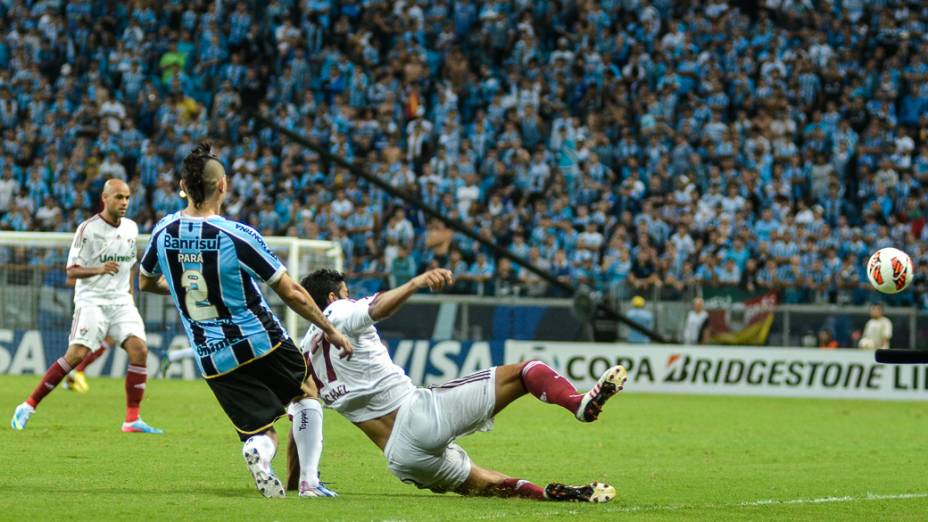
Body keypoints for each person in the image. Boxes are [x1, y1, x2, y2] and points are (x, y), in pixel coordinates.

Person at [297, 267, 625, 502]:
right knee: (526, 371)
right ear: (331, 297)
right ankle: (578, 404)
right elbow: (375, 309)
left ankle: (548, 496)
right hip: (417, 415)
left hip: (402, 459)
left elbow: (304, 415)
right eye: (346, 292)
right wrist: (416, 282)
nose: (349, 297)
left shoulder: (304, 355)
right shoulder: (338, 311)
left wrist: (299, 478)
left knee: (484, 484)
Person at [137, 143, 353, 498]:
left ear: (183, 186)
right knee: (306, 393)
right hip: (260, 340)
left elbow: (144, 282)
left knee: (260, 431)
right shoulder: (236, 235)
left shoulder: (163, 232)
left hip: (212, 357)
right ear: (222, 186)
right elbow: (292, 292)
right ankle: (310, 483)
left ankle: (260, 452)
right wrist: (331, 330)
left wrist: (177, 289)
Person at [11, 179, 162, 434]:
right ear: (105, 198)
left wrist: (130, 296)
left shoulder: (132, 228)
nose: (124, 202)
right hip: (91, 300)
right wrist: (99, 269)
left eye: (127, 198)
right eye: (118, 197)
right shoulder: (87, 230)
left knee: (140, 350)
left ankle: (132, 419)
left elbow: (129, 268)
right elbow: (71, 272)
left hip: (121, 301)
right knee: (77, 355)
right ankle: (28, 405)